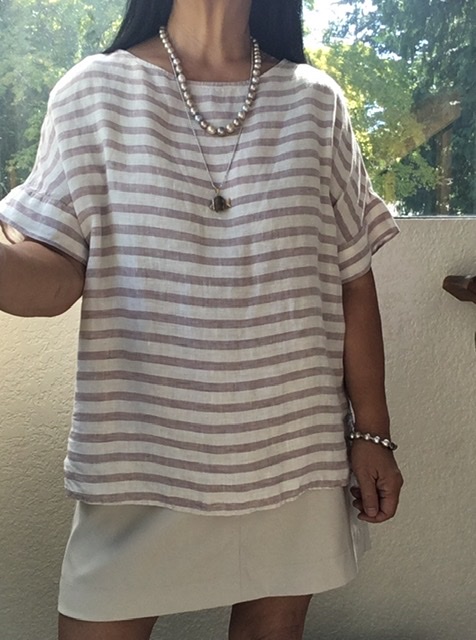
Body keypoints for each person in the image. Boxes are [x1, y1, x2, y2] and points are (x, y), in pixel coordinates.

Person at [0, 0, 404, 638]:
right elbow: (54, 280)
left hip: (293, 456)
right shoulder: (91, 93)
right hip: (139, 461)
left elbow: (353, 280)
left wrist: (373, 433)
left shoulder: (316, 102)